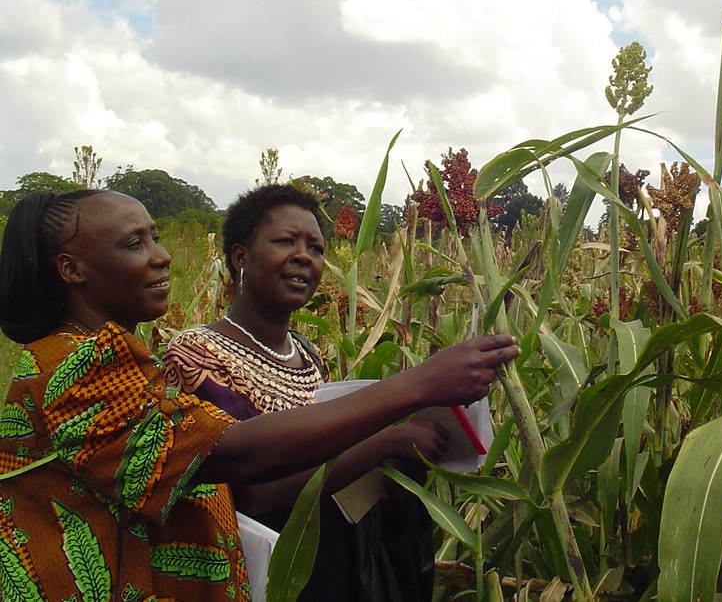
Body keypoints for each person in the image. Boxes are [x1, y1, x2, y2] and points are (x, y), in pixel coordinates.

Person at [0, 189, 518, 601]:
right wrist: (415, 388)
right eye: (135, 244)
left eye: (155, 237)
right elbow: (232, 455)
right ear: (72, 270)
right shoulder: (76, 362)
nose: (162, 258)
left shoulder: (117, 358)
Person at [162, 184, 440, 601]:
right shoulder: (196, 354)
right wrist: (387, 441)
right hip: (260, 574)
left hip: (327, 564)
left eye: (315, 247)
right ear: (241, 257)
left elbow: (328, 463)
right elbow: (250, 492)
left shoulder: (309, 354)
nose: (304, 256)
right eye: (285, 241)